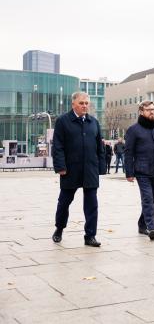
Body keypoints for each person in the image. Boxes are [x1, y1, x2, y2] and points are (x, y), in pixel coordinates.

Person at [51, 91, 105, 247]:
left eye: (87, 103)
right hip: (70, 170)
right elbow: (58, 146)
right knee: (64, 202)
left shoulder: (93, 122)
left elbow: (99, 146)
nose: (84, 106)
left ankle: (90, 236)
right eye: (81, 103)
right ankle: (59, 228)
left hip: (90, 170)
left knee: (92, 205)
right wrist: (60, 167)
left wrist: (101, 167)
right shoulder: (63, 121)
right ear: (73, 104)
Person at [124, 100, 154, 241]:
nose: (152, 112)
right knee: (148, 199)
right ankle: (151, 227)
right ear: (141, 111)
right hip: (142, 171)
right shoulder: (134, 130)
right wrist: (129, 172)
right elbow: (128, 153)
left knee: (151, 200)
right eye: (149, 109)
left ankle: (142, 224)